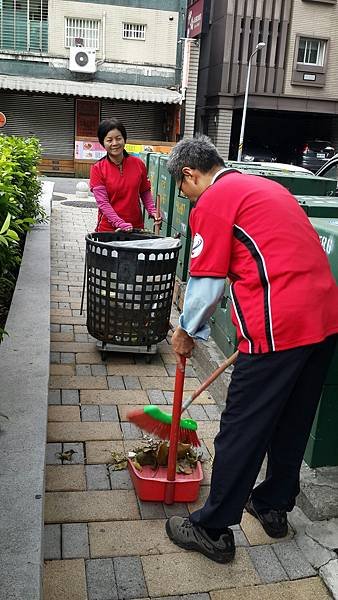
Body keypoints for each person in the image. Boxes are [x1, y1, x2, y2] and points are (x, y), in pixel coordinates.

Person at [165, 135, 338, 564]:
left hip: (277, 327)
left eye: (183, 190)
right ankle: (272, 506)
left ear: (190, 174)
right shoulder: (266, 188)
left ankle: (212, 528)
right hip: (324, 319)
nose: (186, 199)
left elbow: (206, 282)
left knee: (243, 426)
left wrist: (187, 329)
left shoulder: (214, 200)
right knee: (293, 419)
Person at [90, 118, 162, 232]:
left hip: (136, 228)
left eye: (118, 138)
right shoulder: (98, 169)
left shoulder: (138, 164)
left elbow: (144, 191)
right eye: (109, 140)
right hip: (108, 231)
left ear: (124, 139)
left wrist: (152, 210)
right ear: (102, 143)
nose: (115, 143)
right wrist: (119, 223)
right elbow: (103, 203)